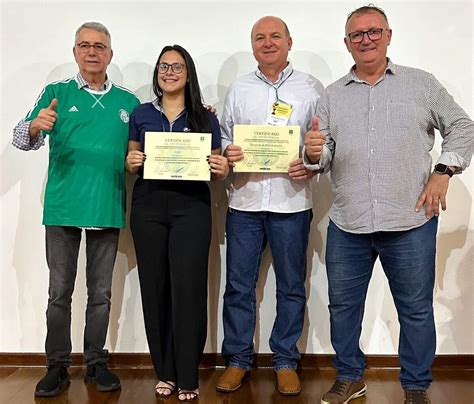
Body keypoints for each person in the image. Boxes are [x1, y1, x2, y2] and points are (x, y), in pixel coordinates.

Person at [304, 5, 473, 404]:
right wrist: (313, 152)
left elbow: (463, 126)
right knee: (343, 307)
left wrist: (444, 171)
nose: (365, 40)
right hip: (350, 222)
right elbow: (323, 155)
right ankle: (349, 376)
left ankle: (416, 387)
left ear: (388, 35)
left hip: (411, 219)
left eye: (373, 31)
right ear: (346, 44)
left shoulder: (421, 84)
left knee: (414, 309)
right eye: (356, 35)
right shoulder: (331, 95)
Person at [12, 22, 140, 397]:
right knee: (59, 293)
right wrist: (35, 126)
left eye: (100, 46)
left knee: (100, 293)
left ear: (110, 55)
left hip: (107, 206)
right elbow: (22, 139)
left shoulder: (128, 102)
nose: (92, 51)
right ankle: (57, 366)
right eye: (84, 45)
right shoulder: (56, 92)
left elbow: (158, 140)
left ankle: (96, 363)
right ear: (74, 52)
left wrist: (202, 116)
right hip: (63, 208)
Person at [216, 16, 325, 396]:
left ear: (289, 42)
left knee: (292, 286)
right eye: (259, 37)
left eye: (274, 36)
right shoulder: (238, 89)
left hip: (292, 203)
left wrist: (312, 164)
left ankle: (284, 361)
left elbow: (323, 143)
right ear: (252, 46)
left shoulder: (312, 88)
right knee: (238, 286)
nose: (267, 43)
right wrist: (229, 152)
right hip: (244, 202)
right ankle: (238, 360)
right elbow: (226, 139)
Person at [125, 44, 228, 402]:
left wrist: (221, 167)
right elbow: (129, 160)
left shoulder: (205, 117)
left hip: (191, 209)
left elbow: (216, 167)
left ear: (188, 73)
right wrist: (132, 161)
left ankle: (188, 375)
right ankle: (164, 371)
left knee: (188, 290)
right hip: (148, 207)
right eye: (164, 66)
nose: (169, 72)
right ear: (157, 72)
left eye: (177, 67)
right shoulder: (140, 114)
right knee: (155, 290)